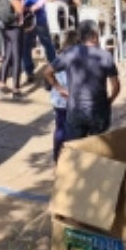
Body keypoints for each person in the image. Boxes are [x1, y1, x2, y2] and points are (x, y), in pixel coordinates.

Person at [42, 21, 120, 139]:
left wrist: (59, 88)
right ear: (94, 35)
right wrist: (109, 100)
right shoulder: (105, 56)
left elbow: (47, 72)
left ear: (80, 36)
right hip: (99, 111)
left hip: (75, 111)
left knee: (76, 150)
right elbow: (116, 86)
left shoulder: (70, 53)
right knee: (99, 150)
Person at [17, 0, 56, 77]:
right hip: (39, 14)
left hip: (24, 15)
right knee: (46, 42)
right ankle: (54, 68)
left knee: (26, 44)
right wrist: (37, 5)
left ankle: (29, 71)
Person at [48, 32, 81, 161]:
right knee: (74, 132)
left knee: (60, 129)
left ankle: (58, 158)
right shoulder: (77, 59)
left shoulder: (60, 56)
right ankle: (70, 158)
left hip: (59, 100)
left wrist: (58, 88)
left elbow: (48, 72)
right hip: (71, 99)